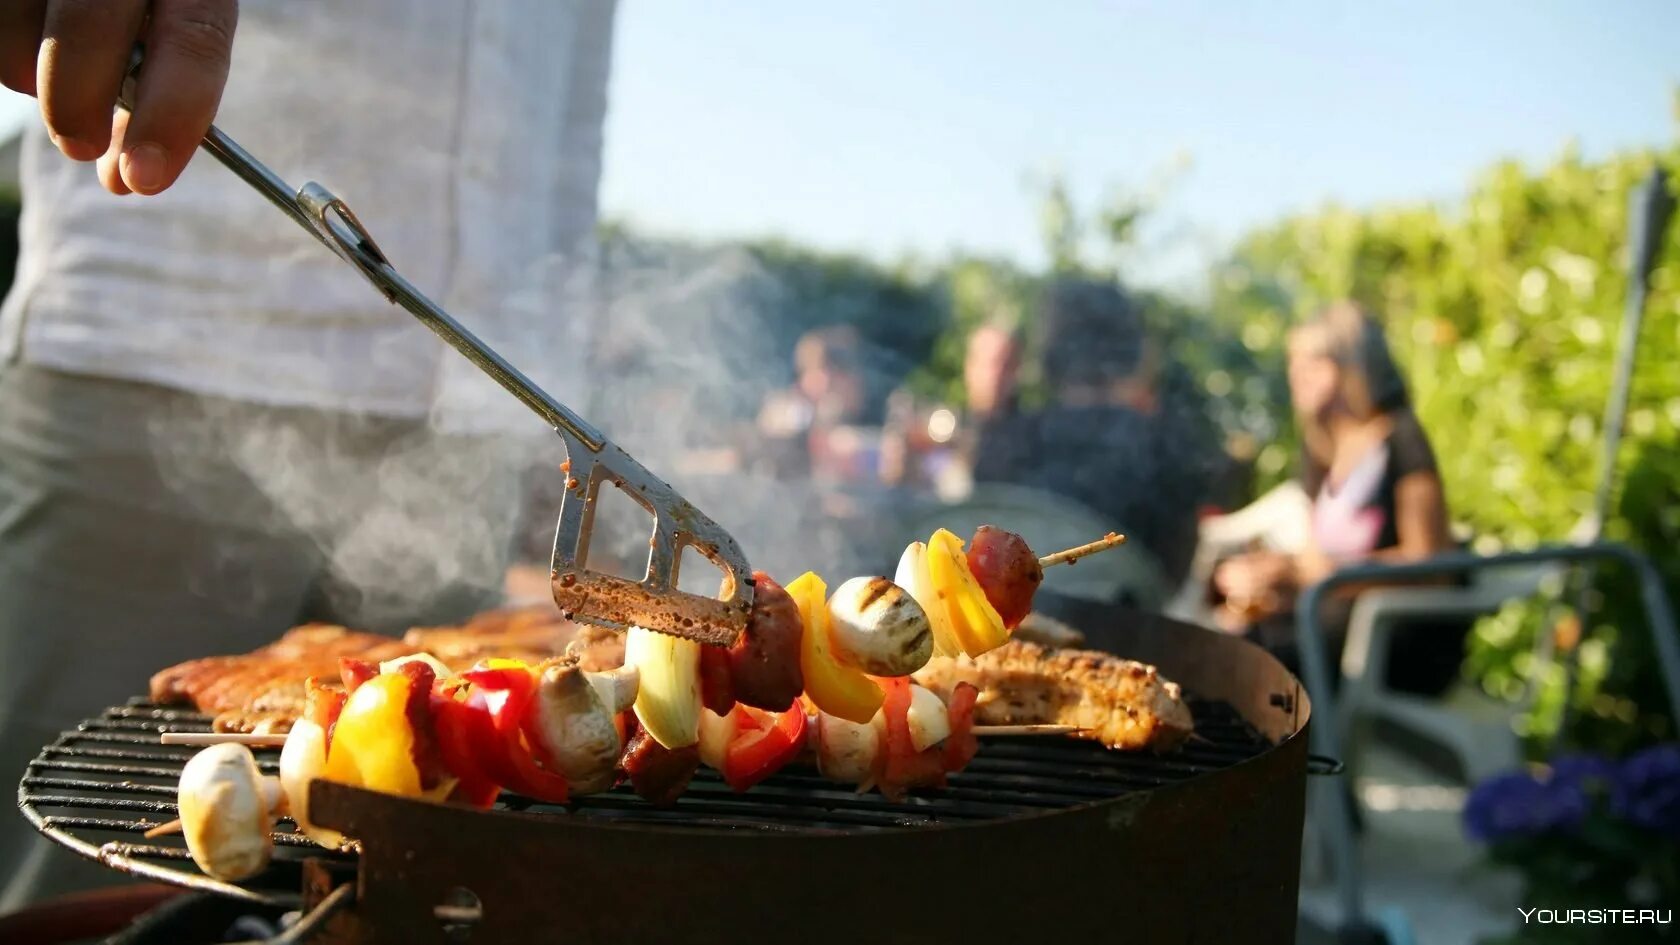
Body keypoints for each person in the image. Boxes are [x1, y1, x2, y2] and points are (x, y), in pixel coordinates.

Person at [0, 1, 617, 911]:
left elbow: (571, 99)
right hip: (164, 338)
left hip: (468, 406)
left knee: (419, 893)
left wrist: (541, 371)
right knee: (80, 888)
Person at [1210, 302, 1463, 691]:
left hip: (1393, 638)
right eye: (1293, 362)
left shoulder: (1402, 439)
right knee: (1221, 632)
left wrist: (1321, 575)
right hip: (1329, 619)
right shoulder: (1320, 454)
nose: (1297, 374)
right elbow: (1314, 560)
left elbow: (1430, 565)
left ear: (1354, 365)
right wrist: (1272, 579)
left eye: (1313, 362)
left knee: (1243, 659)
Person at [969, 278, 1222, 593]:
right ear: (1134, 351)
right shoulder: (1166, 450)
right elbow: (1173, 579)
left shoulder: (1003, 442)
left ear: (1049, 354)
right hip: (1131, 634)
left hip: (1007, 628)